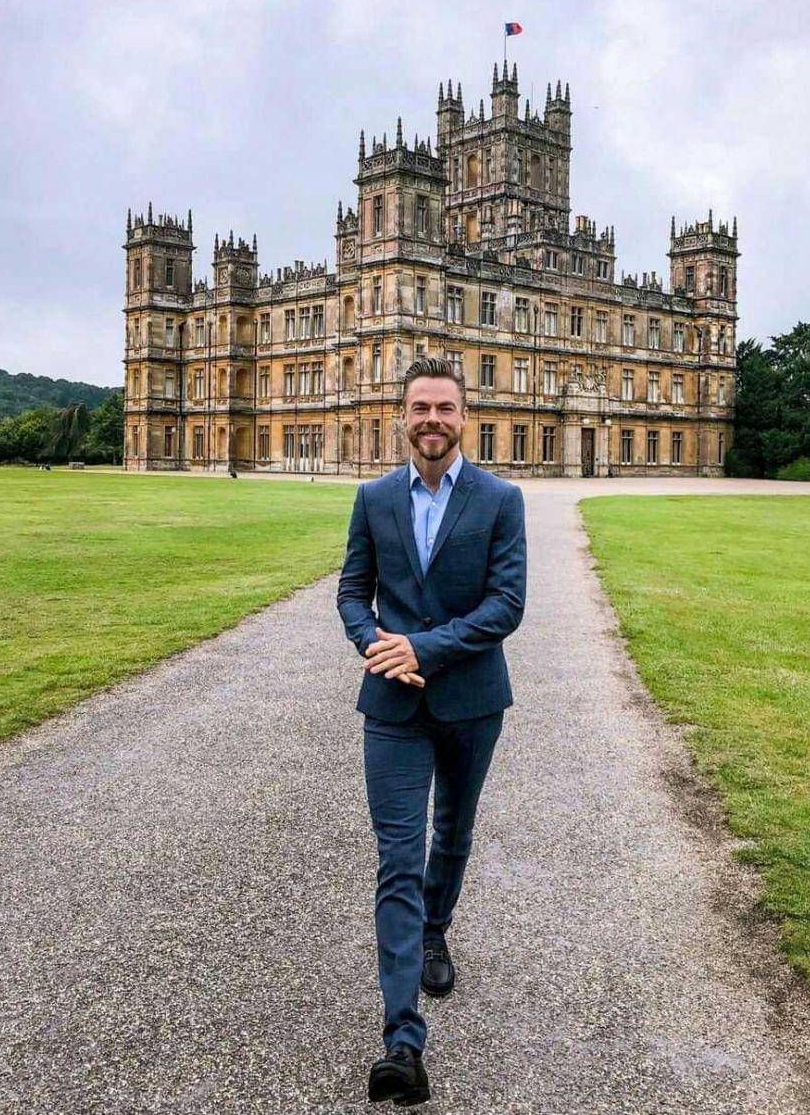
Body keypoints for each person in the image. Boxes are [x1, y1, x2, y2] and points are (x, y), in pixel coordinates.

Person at [336, 357, 527, 1106]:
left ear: (465, 417)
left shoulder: (500, 499)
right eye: (421, 408)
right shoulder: (374, 497)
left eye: (445, 408)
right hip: (391, 703)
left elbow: (506, 604)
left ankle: (436, 928)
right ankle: (402, 1042)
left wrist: (423, 647)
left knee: (452, 832)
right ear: (402, 416)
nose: (433, 421)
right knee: (397, 857)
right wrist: (376, 644)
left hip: (472, 699)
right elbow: (352, 593)